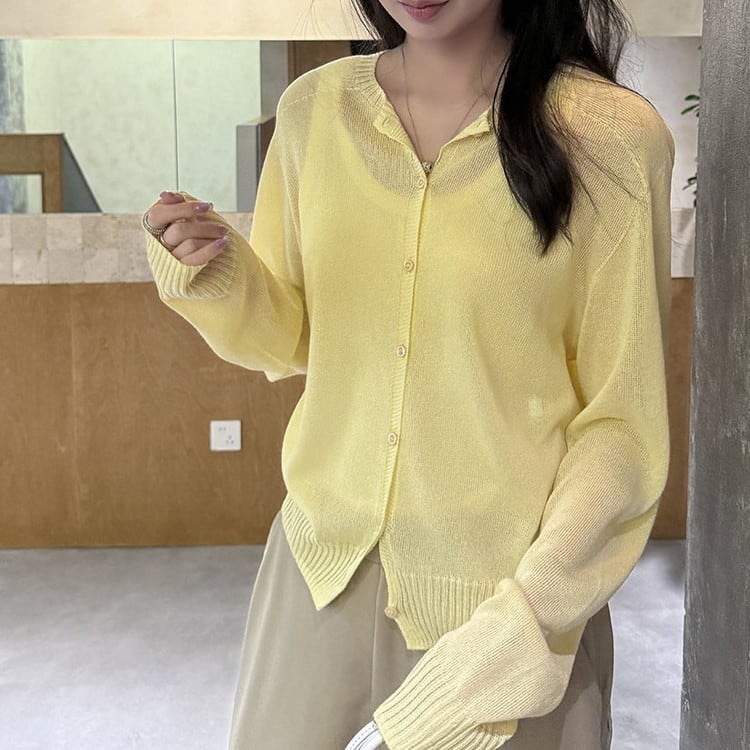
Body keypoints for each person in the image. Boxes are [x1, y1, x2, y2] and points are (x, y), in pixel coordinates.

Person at [141, 0, 675, 747]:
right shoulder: (314, 112)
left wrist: (527, 621)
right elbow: (296, 339)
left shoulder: (612, 136)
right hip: (319, 573)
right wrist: (216, 272)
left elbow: (622, 427)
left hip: (506, 602)